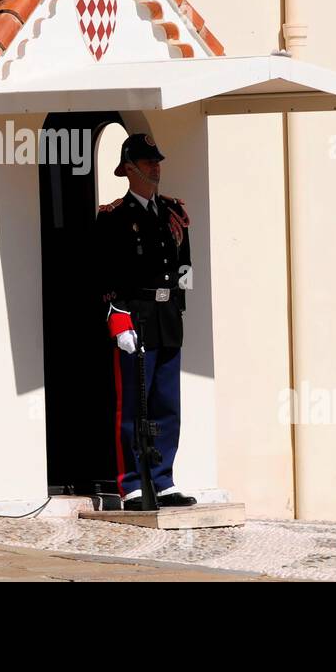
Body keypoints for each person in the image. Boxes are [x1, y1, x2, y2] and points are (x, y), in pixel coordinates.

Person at [94, 132, 197, 510]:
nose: (156, 167)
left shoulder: (172, 213)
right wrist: (117, 321)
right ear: (129, 169)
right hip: (135, 320)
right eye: (149, 162)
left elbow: (184, 265)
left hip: (167, 319)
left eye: (157, 161)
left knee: (167, 404)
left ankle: (163, 478)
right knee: (134, 406)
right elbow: (104, 274)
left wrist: (180, 306)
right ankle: (133, 483)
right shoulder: (114, 218)